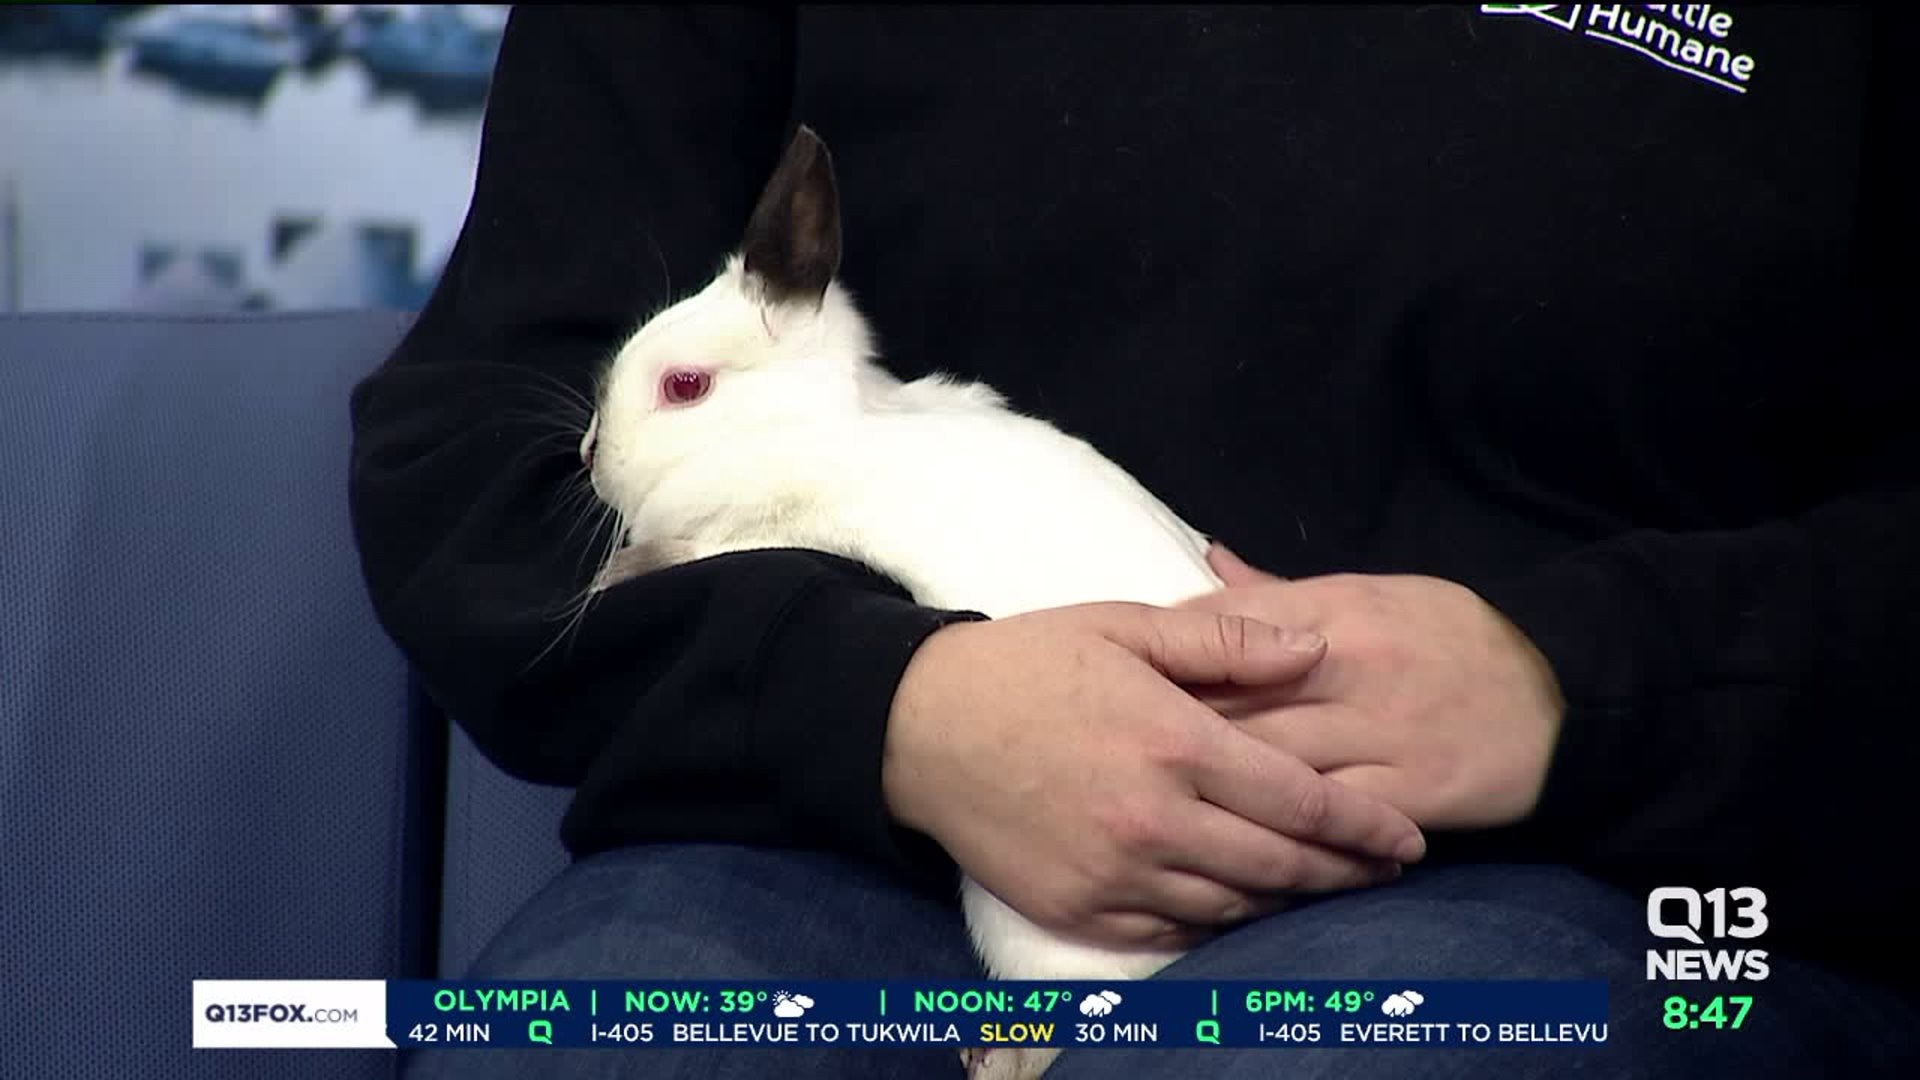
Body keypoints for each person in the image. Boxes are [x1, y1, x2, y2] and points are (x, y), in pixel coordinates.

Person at [346, 6, 1918, 1078]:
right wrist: (883, 705)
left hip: (1600, 868)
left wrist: (1589, 682)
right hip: (825, 834)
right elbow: (481, 459)